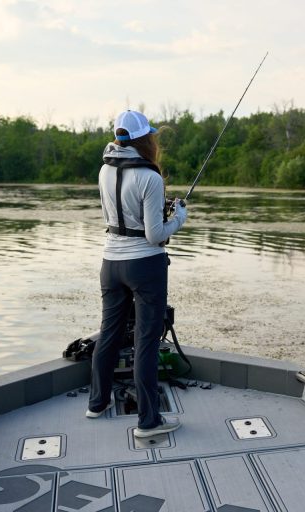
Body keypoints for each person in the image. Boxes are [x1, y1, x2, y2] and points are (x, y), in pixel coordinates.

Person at [86, 110, 187, 438]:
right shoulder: (150, 177)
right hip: (145, 265)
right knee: (146, 341)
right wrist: (180, 218)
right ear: (146, 139)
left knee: (108, 333)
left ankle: (97, 404)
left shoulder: (103, 170)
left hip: (110, 263)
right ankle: (148, 421)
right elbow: (155, 235)